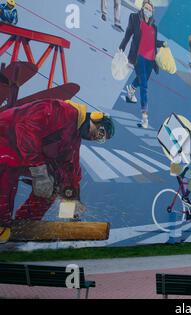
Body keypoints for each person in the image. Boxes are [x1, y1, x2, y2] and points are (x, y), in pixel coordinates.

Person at [0, 99, 115, 243]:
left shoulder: (73, 140)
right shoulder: (60, 110)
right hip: (5, 140)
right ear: (95, 117)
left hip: (24, 156)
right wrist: (39, 172)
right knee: (6, 172)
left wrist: (71, 205)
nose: (96, 137)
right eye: (101, 132)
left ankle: (24, 224)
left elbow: (69, 172)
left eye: (101, 139)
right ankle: (1, 223)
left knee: (54, 184)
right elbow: (26, 129)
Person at [119, 0, 167, 129]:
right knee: (145, 86)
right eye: (146, 8)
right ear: (142, 8)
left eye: (150, 9)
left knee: (141, 80)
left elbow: (152, 42)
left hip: (150, 60)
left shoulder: (154, 27)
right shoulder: (135, 18)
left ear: (152, 12)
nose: (148, 10)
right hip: (138, 56)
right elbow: (128, 33)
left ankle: (131, 90)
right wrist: (121, 47)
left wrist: (162, 43)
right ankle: (144, 117)